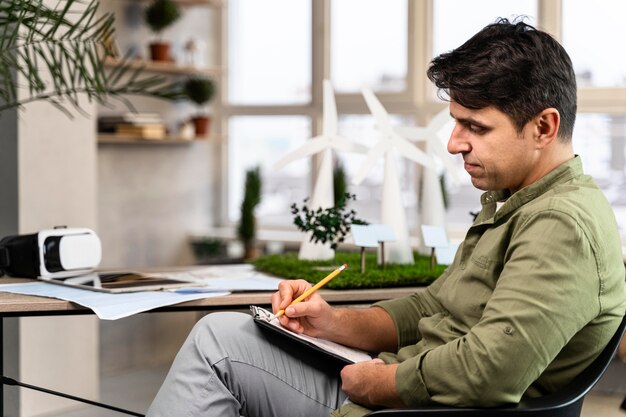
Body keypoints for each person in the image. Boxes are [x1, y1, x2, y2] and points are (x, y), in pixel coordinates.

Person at [146, 18, 626, 417]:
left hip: (409, 406)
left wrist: (379, 383)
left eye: (475, 127)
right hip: (400, 389)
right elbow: (430, 309)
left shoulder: (562, 224)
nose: (454, 142)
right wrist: (332, 324)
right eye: (457, 122)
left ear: (543, 126)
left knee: (217, 347)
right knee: (225, 332)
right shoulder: (514, 203)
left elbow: (493, 369)